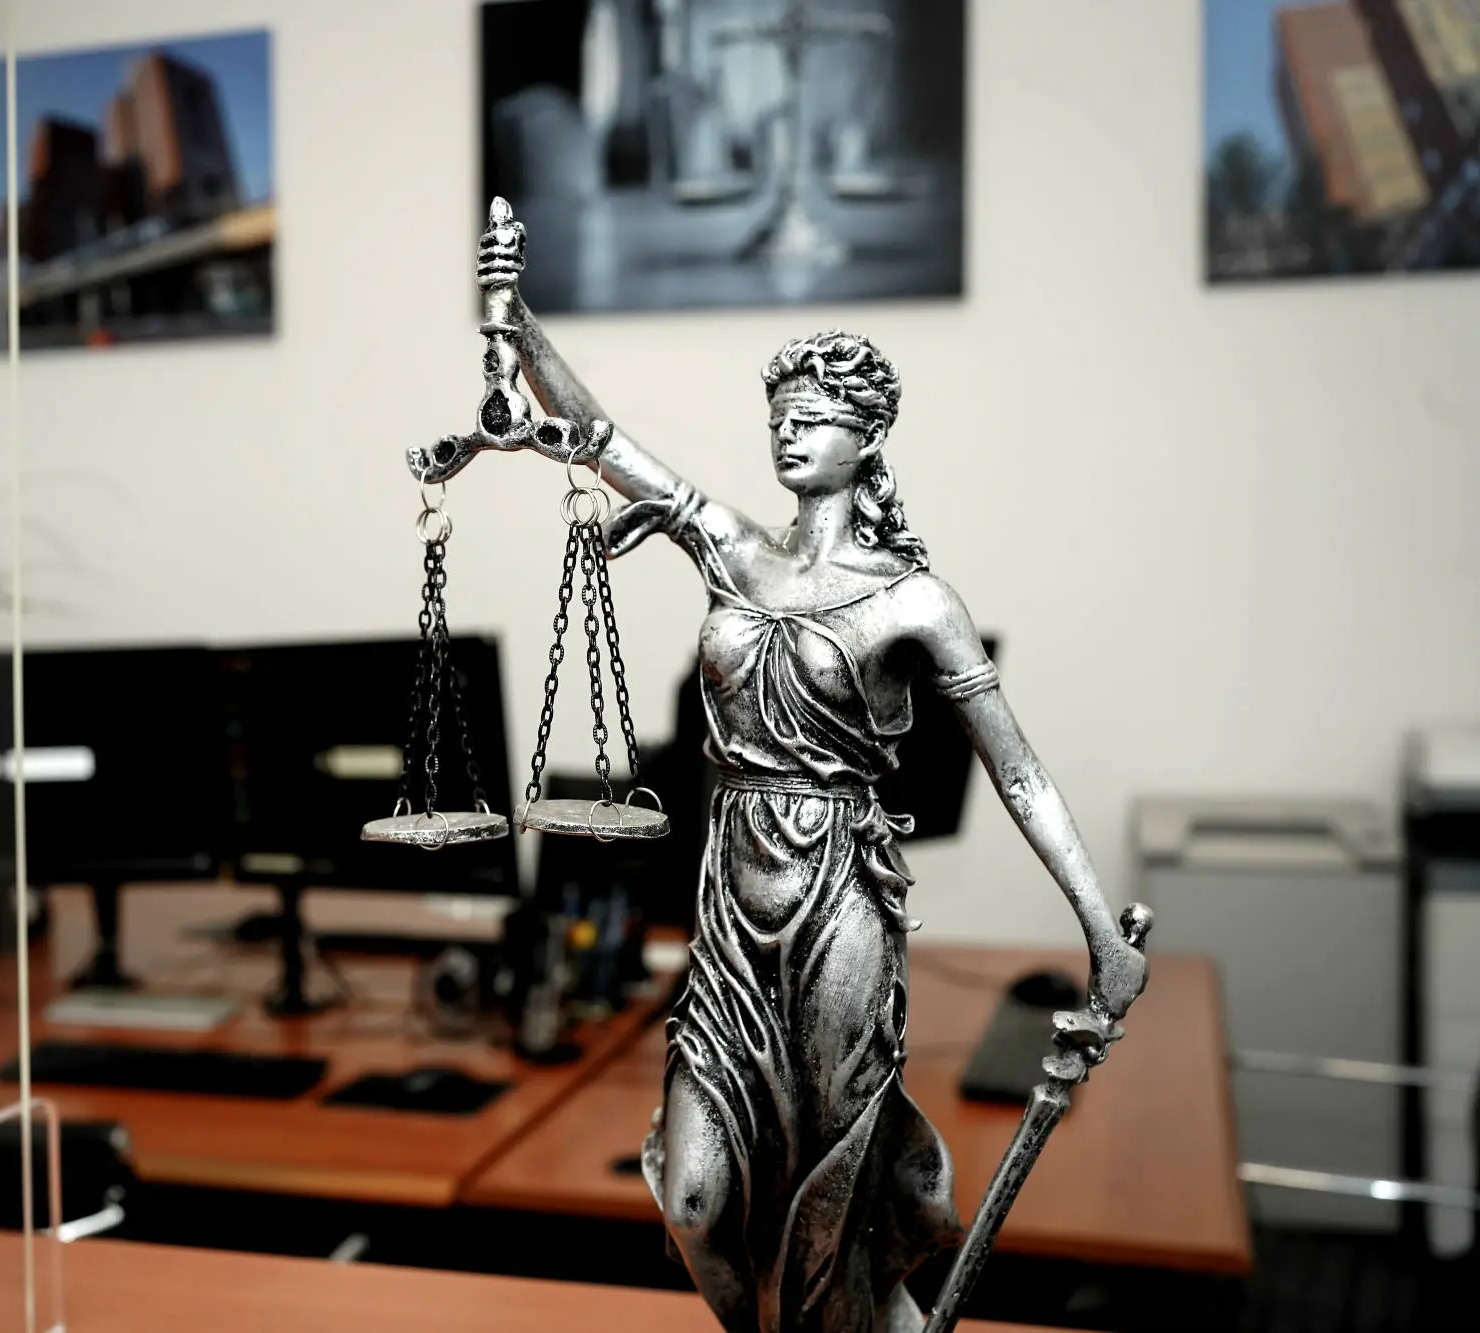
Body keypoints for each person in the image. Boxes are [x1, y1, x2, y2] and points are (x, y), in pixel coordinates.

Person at [460, 214, 1149, 1333]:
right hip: (730, 904)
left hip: (839, 904)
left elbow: (1018, 773)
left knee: (833, 1196)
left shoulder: (914, 602)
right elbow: (599, 439)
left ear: (867, 439)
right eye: (779, 414)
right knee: (696, 1199)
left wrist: (1100, 932)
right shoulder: (734, 550)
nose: (788, 430)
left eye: (815, 416)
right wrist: (516, 323)